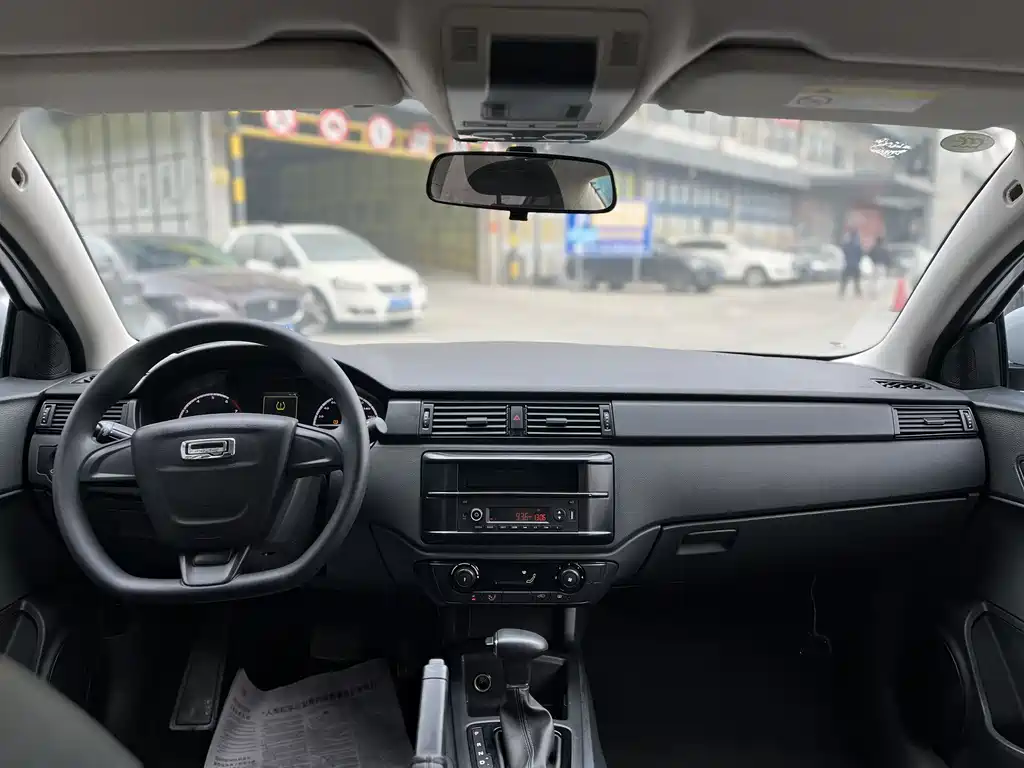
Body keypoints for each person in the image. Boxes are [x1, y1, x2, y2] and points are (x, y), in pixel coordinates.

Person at [838, 227, 863, 298]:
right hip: (855, 264)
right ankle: (858, 293)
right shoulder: (857, 244)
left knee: (845, 280)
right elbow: (860, 254)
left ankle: (842, 293)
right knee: (856, 280)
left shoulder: (847, 243)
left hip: (848, 264)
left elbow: (844, 251)